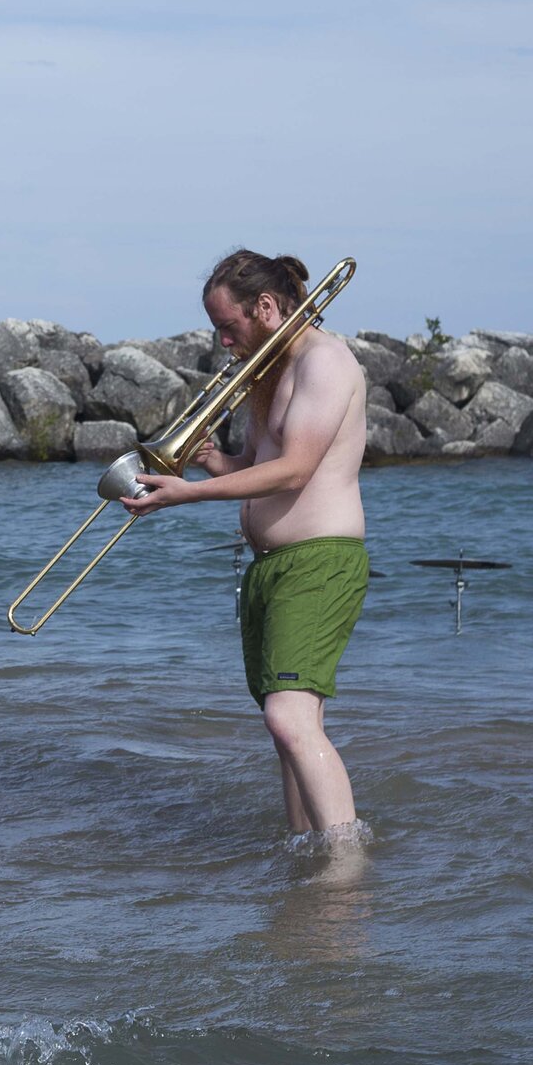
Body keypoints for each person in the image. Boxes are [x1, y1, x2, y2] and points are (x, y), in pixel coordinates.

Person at [120, 251, 368, 842]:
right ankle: (305, 856)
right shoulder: (272, 372)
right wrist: (213, 462)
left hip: (318, 562)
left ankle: (345, 865)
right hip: (271, 566)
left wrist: (189, 493)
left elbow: (295, 470)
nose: (225, 343)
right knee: (287, 725)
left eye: (229, 327)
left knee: (288, 719)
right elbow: (259, 467)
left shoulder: (325, 363)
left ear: (265, 307)